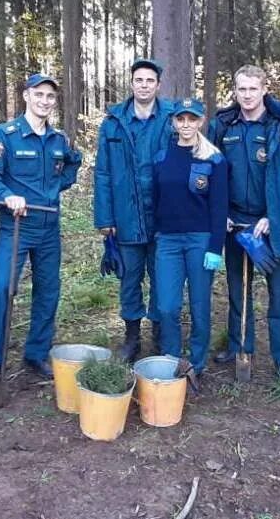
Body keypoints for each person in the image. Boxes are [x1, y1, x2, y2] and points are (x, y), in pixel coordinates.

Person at [208, 65, 280, 379]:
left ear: (264, 90)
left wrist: (275, 217)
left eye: (252, 89)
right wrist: (221, 214)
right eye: (241, 89)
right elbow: (208, 171)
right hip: (235, 224)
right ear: (235, 90)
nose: (247, 95)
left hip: (271, 224)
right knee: (236, 288)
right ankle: (239, 346)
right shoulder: (223, 125)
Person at [0, 74, 82, 383]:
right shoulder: (4, 135)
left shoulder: (58, 139)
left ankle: (36, 354)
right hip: (17, 227)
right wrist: (8, 196)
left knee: (48, 292)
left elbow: (72, 165)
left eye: (50, 96)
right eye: (39, 95)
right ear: (26, 96)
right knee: (2, 289)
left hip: (49, 228)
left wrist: (53, 188)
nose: (45, 101)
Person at [93, 58, 174, 360]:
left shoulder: (170, 118)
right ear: (131, 83)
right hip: (125, 218)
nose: (143, 85)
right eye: (139, 80)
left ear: (157, 85)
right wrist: (105, 218)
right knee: (129, 278)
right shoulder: (114, 122)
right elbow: (102, 173)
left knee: (161, 275)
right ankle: (131, 336)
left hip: (163, 216)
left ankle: (159, 333)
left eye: (149, 81)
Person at [152, 98, 228, 377]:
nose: (186, 125)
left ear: (200, 121)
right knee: (167, 306)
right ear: (174, 122)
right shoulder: (161, 158)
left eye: (191, 119)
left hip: (199, 240)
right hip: (168, 242)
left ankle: (197, 363)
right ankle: (171, 359)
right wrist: (157, 235)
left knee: (199, 305)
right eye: (181, 119)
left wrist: (215, 247)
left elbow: (220, 207)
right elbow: (155, 200)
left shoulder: (213, 159)